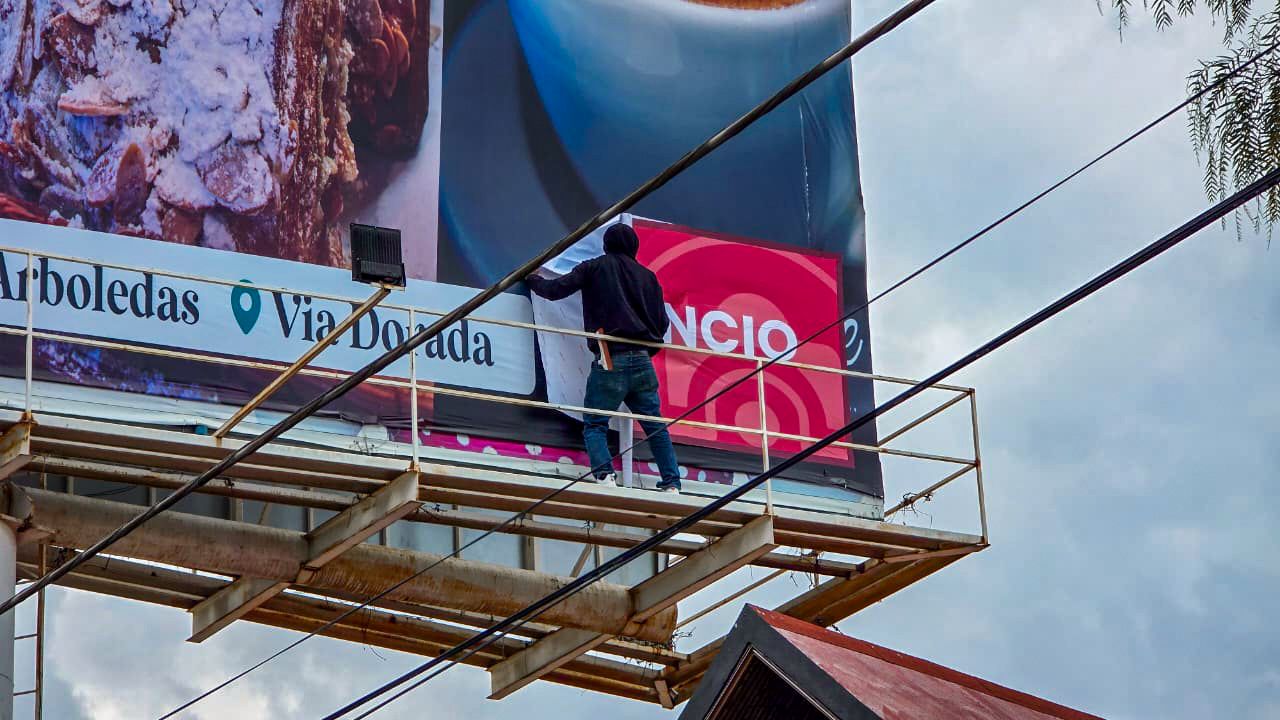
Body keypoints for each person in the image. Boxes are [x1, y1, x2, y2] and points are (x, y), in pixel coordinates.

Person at [527, 223, 682, 493]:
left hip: (609, 357)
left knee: (595, 423)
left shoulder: (595, 267)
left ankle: (605, 475)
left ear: (606, 245)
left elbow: (556, 290)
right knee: (655, 427)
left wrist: (532, 279)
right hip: (642, 361)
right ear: (634, 247)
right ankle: (672, 484)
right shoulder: (649, 278)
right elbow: (662, 324)